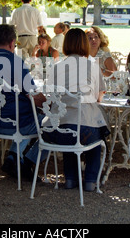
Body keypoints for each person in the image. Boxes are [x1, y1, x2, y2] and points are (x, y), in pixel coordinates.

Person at [0, 24, 46, 179]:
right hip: (18, 123)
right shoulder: (14, 61)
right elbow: (33, 94)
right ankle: (28, 161)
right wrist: (50, 104)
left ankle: (13, 158)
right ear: (12, 43)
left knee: (29, 116)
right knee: (54, 124)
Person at [46, 28, 109, 191]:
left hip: (57, 130)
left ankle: (70, 178)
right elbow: (99, 97)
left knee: (68, 125)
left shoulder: (56, 67)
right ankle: (90, 179)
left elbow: (50, 96)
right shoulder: (92, 65)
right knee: (96, 135)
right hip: (85, 129)